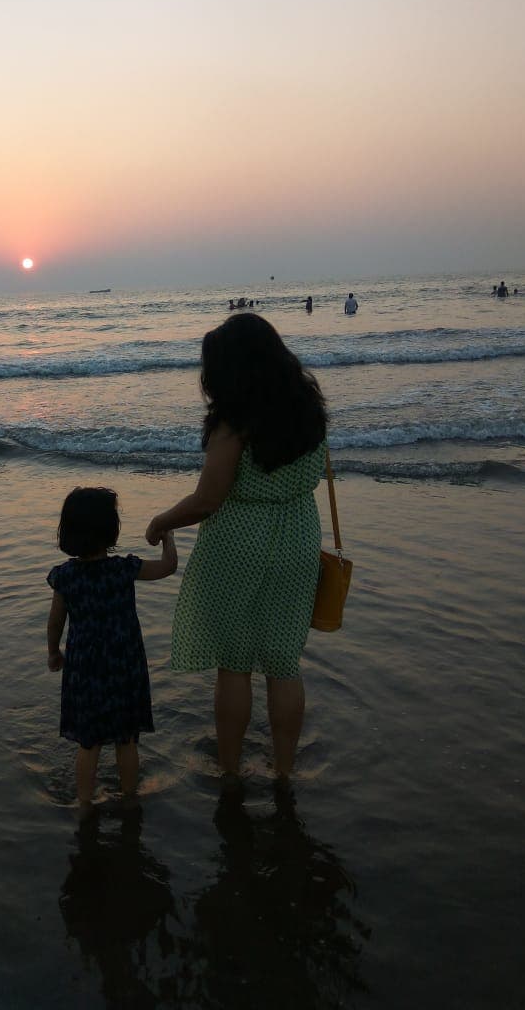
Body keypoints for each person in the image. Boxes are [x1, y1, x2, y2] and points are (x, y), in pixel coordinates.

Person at [145, 313, 327, 784]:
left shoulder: (235, 422)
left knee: (236, 663)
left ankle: (230, 770)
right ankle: (284, 772)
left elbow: (209, 499)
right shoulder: (308, 408)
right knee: (286, 663)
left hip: (240, 541)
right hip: (299, 536)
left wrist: (161, 521)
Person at [47, 487, 178, 815]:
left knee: (88, 742)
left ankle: (85, 803)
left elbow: (55, 622)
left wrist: (53, 652)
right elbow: (167, 567)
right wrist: (168, 537)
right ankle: (130, 797)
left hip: (85, 668)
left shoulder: (65, 577)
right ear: (112, 529)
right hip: (125, 665)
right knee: (126, 738)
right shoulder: (124, 569)